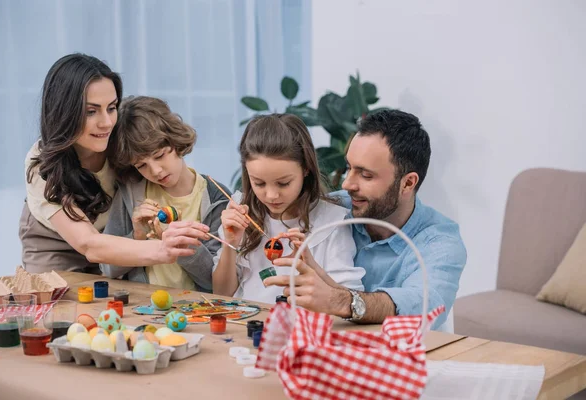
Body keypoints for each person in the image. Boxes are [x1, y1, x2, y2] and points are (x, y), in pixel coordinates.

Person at [265, 109, 467, 330]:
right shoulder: (333, 210)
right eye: (349, 168)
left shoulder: (440, 242)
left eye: (366, 175)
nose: (346, 184)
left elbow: (424, 306)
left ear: (408, 183)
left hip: (404, 358)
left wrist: (339, 301)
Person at [19, 54, 208, 274]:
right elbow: (88, 244)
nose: (107, 123)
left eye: (111, 107)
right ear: (64, 113)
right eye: (91, 111)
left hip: (119, 243)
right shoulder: (41, 164)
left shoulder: (120, 137)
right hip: (56, 248)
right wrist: (162, 250)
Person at [212, 114, 365, 303]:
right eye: (259, 183)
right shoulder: (240, 209)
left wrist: (312, 268)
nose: (271, 195)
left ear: (306, 169)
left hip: (301, 328)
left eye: (283, 183)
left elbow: (351, 302)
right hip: (244, 326)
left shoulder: (332, 221)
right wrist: (231, 243)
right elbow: (221, 294)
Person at [100, 96, 230, 292]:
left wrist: (182, 246)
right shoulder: (131, 193)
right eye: (141, 165)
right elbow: (108, 268)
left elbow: (215, 283)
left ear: (175, 141)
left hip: (197, 312)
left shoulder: (217, 198)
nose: (156, 171)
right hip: (142, 310)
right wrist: (138, 237)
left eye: (160, 155)